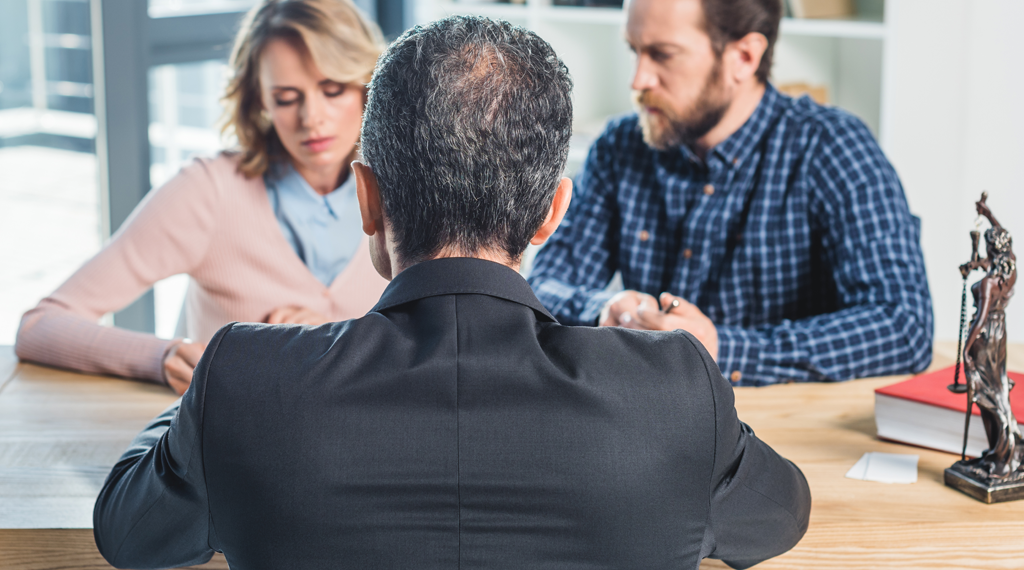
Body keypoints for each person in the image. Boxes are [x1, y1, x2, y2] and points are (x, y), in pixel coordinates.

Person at [93, 15, 811, 570]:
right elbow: (783, 512)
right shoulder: (676, 389)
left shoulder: (244, 380)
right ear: (551, 213)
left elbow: (127, 529)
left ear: (366, 199)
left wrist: (197, 402)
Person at [528, 0, 934, 385]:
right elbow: (545, 286)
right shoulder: (620, 146)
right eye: (634, 51)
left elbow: (904, 325)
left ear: (744, 57)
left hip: (784, 433)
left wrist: (724, 349)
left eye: (663, 55)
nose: (638, 80)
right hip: (654, 424)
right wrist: (603, 310)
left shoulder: (833, 148)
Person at [15, 0, 388, 395]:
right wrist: (162, 357)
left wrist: (325, 343)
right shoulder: (209, 191)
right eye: (286, 98)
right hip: (228, 448)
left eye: (332, 90)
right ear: (259, 100)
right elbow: (40, 327)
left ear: (368, 84)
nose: (311, 117)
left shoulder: (405, 192)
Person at [959, 194, 1021, 479]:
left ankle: (1002, 453)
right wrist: (988, 214)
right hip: (1001, 334)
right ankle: (1003, 448)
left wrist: (965, 350)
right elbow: (1000, 247)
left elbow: (980, 318)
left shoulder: (987, 285)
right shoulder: (1009, 270)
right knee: (998, 391)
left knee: (986, 394)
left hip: (983, 337)